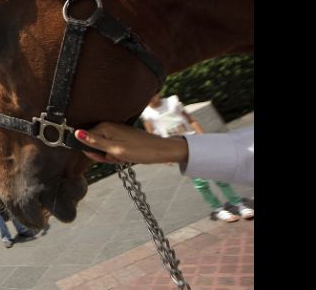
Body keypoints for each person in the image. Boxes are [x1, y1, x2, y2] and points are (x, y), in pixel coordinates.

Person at [74, 94, 254, 223]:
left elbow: (190, 120)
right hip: (177, 147)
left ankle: (237, 203)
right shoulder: (147, 113)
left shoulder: (173, 101)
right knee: (201, 182)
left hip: (193, 141)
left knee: (220, 175)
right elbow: (151, 134)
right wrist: (161, 152)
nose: (151, 97)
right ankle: (217, 207)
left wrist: (202, 136)